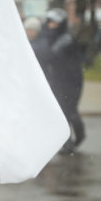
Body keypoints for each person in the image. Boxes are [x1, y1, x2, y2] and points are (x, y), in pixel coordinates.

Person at [34, 8, 85, 154]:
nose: (51, 25)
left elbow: (51, 54)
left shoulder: (65, 38)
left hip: (70, 80)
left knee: (68, 110)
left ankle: (74, 139)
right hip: (58, 78)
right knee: (63, 111)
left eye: (54, 22)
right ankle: (68, 142)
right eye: (49, 22)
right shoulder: (53, 36)